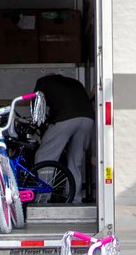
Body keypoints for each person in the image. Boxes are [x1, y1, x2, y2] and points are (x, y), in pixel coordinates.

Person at [33, 74, 95, 203]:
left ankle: (43, 198)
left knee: (44, 157)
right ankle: (75, 198)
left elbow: (38, 107)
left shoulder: (43, 80)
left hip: (65, 119)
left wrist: (40, 127)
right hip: (87, 119)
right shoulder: (75, 82)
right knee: (75, 161)